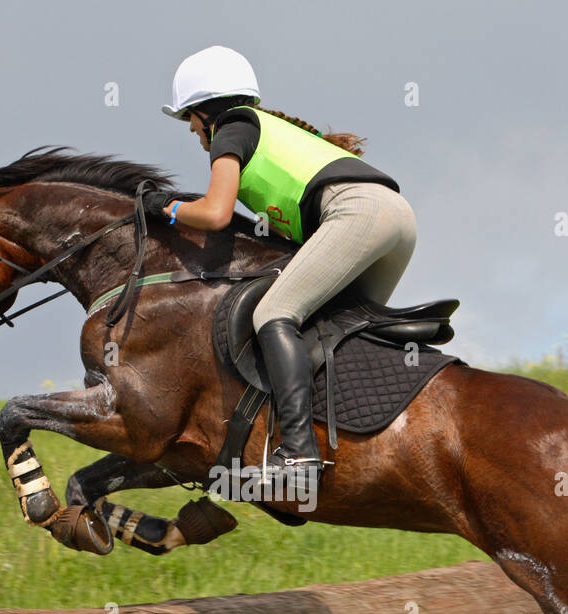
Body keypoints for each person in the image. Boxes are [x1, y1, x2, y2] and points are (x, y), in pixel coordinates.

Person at [154, 45, 417, 493]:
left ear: (202, 112)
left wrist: (169, 208)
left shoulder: (230, 128)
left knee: (273, 314)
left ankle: (298, 455)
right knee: (331, 331)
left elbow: (216, 213)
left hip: (356, 213)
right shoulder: (266, 128)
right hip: (395, 219)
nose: (195, 134)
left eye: (190, 122)